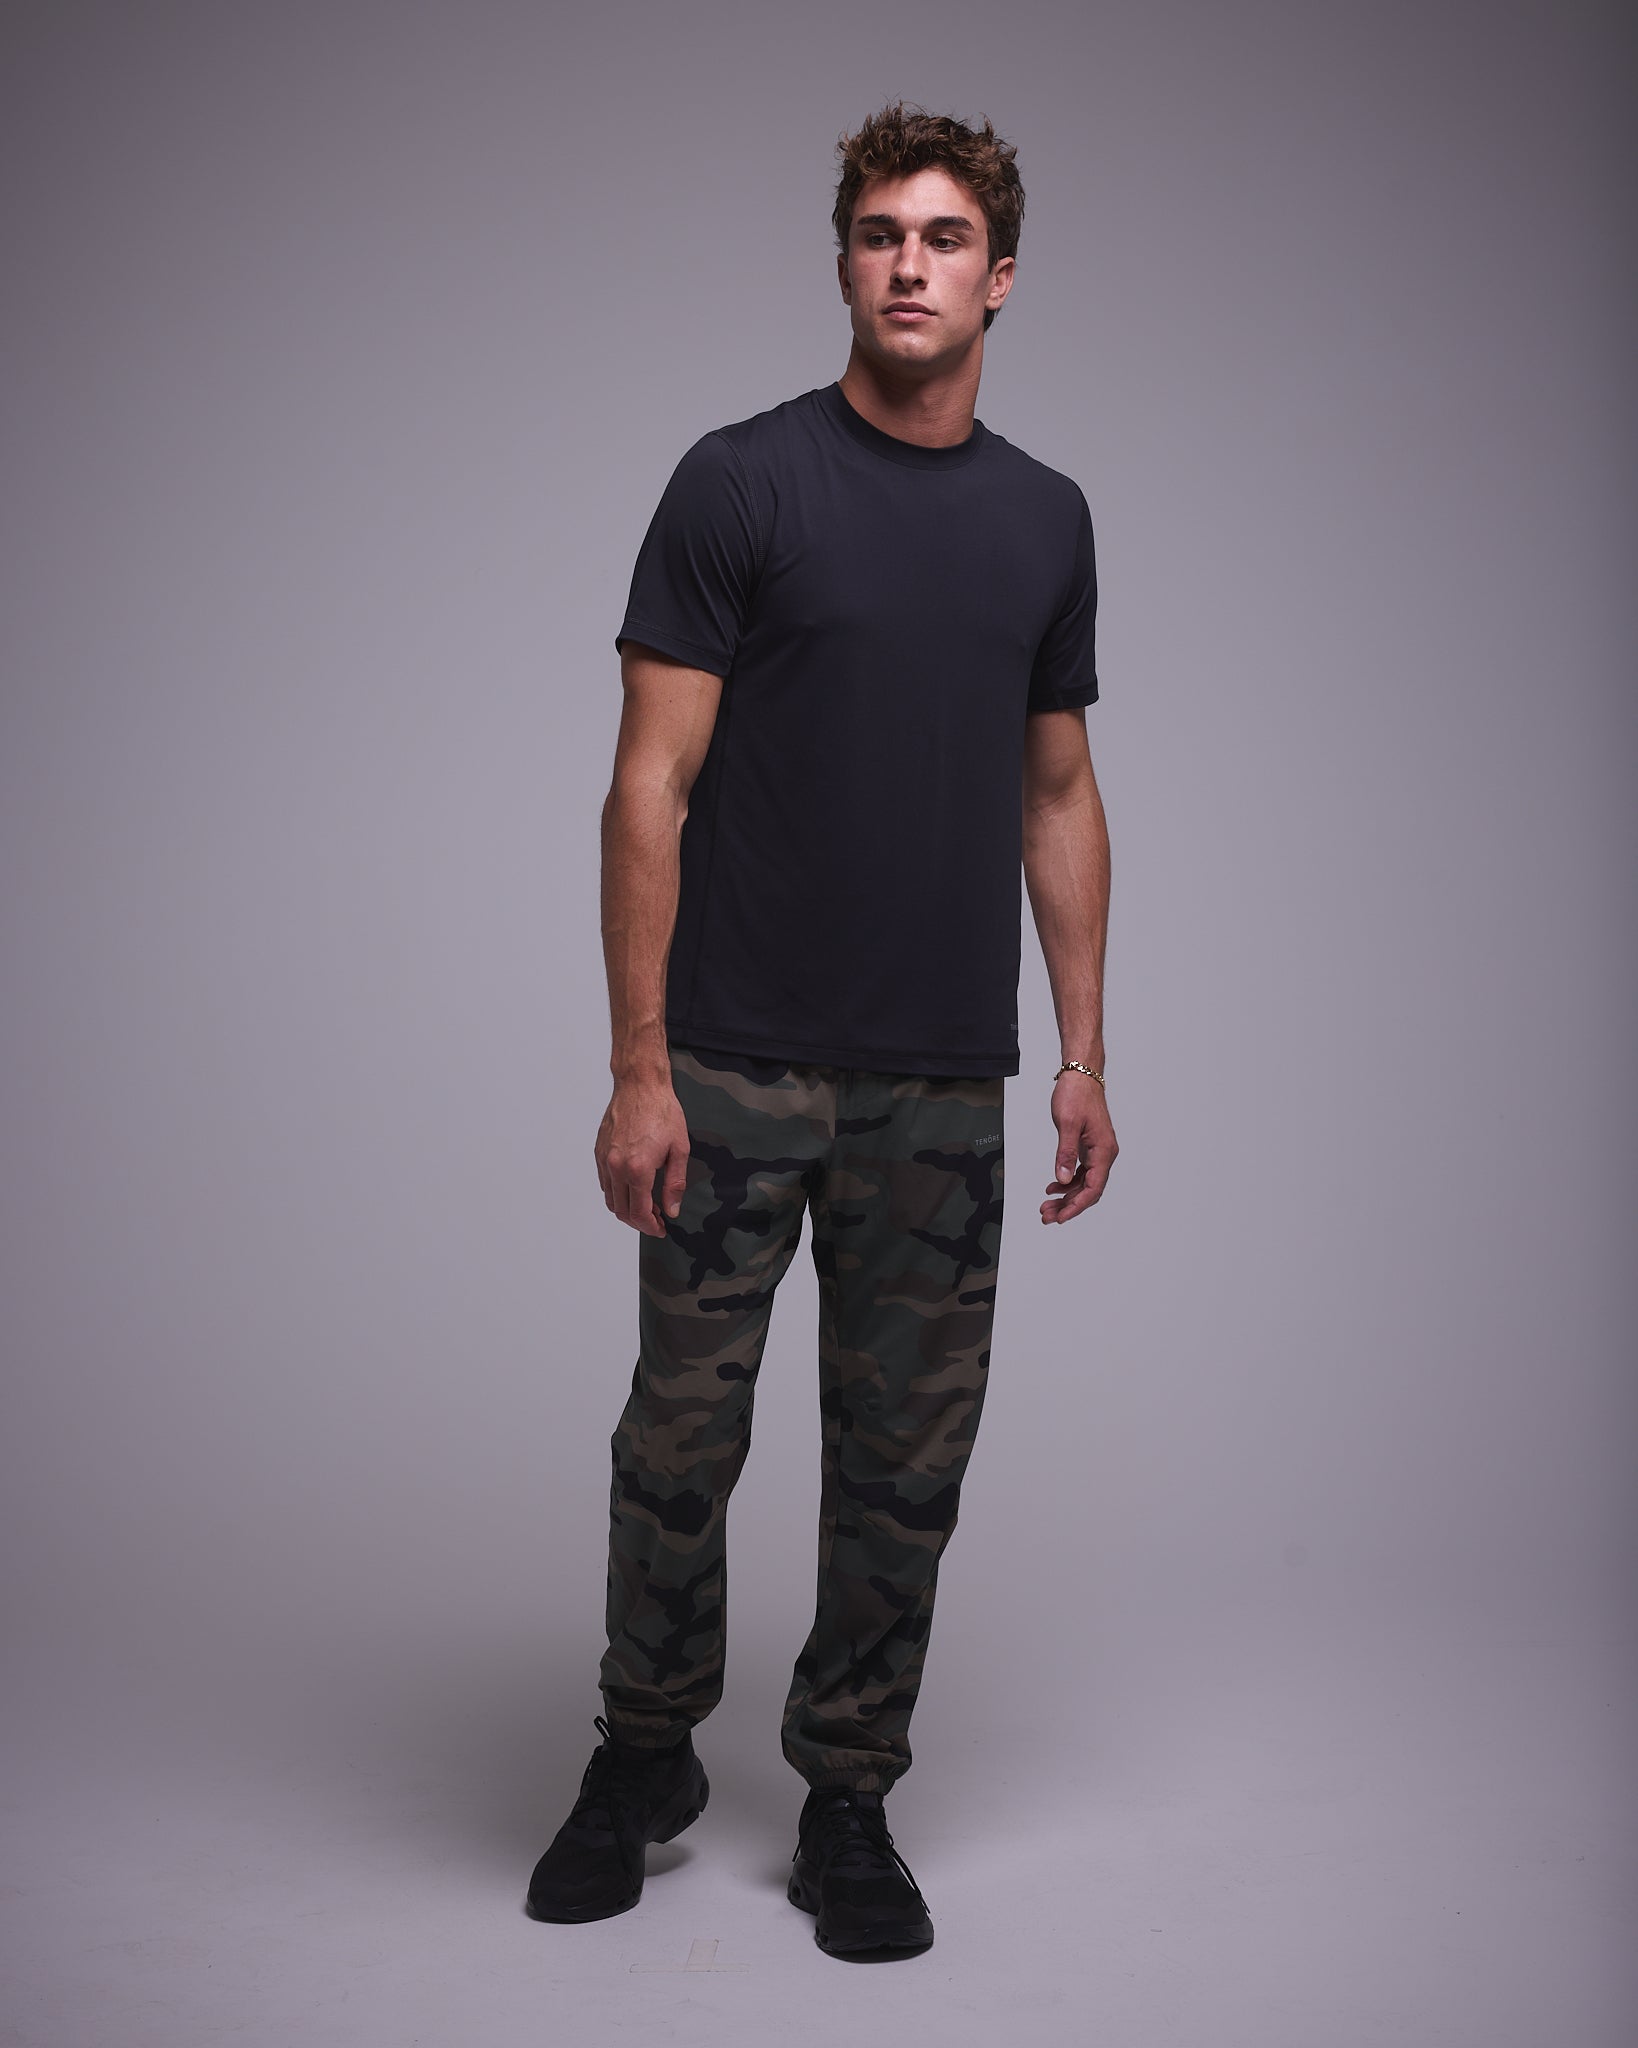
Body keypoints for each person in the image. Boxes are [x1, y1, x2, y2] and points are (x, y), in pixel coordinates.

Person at [526, 97, 1117, 1960]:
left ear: (1000, 278)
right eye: (879, 233)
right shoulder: (740, 483)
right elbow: (646, 785)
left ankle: (848, 1791)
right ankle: (641, 1754)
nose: (908, 264)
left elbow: (1057, 791)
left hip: (942, 1078)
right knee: (677, 1439)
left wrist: (1084, 1053)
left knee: (901, 1463)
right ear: (843, 260)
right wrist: (637, 1066)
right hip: (731, 1061)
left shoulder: (1044, 518)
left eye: (944, 237)